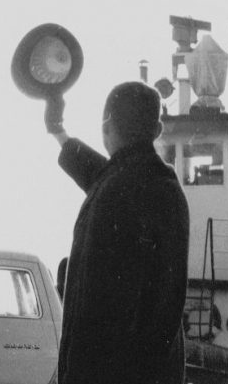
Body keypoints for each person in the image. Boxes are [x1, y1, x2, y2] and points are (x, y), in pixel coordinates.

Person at [44, 82, 189, 384]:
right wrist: (59, 132)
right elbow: (103, 172)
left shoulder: (115, 190)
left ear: (107, 126)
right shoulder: (162, 186)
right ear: (157, 129)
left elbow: (97, 314)